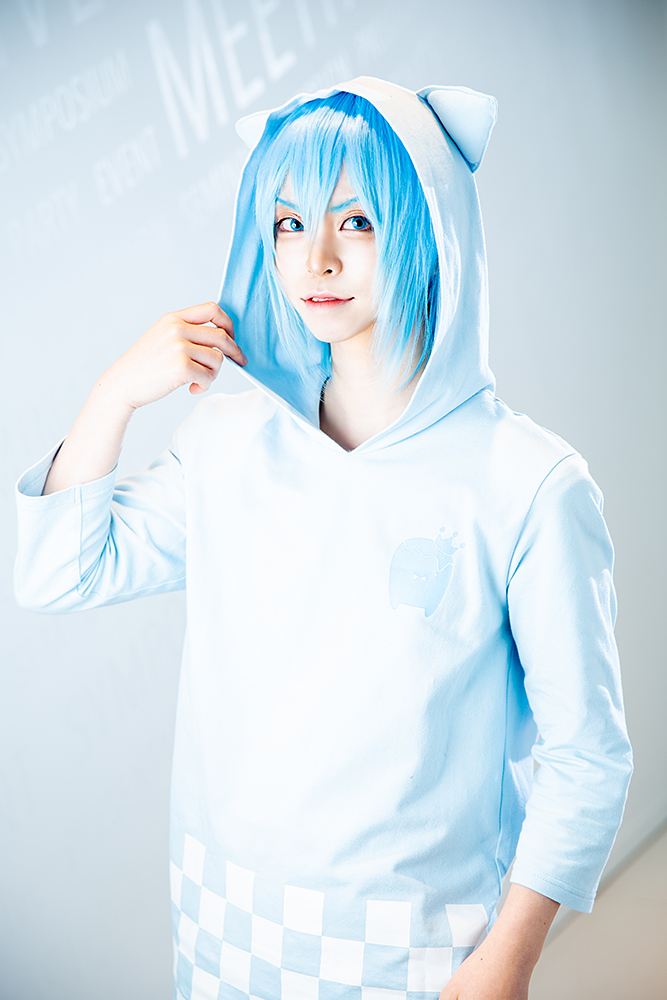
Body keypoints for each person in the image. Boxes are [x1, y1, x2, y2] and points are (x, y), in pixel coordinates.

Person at [15, 77, 632, 1000]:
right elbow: (59, 573)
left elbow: (586, 757)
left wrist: (508, 959)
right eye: (290, 224)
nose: (319, 259)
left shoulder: (528, 484)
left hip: (418, 962)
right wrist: (116, 393)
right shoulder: (227, 443)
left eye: (358, 222)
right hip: (224, 944)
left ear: (429, 230)